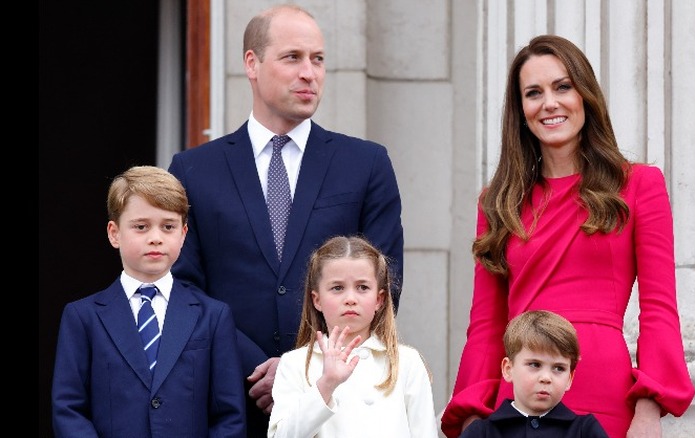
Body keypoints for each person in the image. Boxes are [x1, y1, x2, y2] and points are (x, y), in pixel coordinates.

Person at [441, 34, 695, 438]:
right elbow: (487, 323)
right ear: (521, 110)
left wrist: (649, 408)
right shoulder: (497, 203)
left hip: (605, 394)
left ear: (585, 95)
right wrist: (473, 413)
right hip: (520, 399)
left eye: (563, 87)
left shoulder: (639, 185)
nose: (550, 103)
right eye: (533, 93)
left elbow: (660, 307)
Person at [167, 4, 404, 436]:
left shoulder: (365, 164)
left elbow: (385, 283)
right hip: (228, 400)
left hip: (339, 404)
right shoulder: (193, 170)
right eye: (293, 57)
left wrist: (301, 370)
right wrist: (254, 367)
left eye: (318, 59)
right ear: (252, 64)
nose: (309, 73)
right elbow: (182, 288)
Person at [51, 165, 246, 437]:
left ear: (184, 233)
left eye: (168, 227)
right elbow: (68, 408)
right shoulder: (82, 317)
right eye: (141, 227)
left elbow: (229, 416)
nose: (156, 238)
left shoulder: (213, 316)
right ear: (114, 233)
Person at [268, 236, 437, 438]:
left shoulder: (407, 362)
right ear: (317, 300)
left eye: (362, 287)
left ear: (379, 299)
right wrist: (326, 384)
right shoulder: (294, 364)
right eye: (337, 288)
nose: (350, 299)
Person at [460, 310, 608, 437]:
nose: (546, 378)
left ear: (570, 378)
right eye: (535, 365)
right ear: (508, 369)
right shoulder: (482, 432)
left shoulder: (585, 430)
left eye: (559, 368)